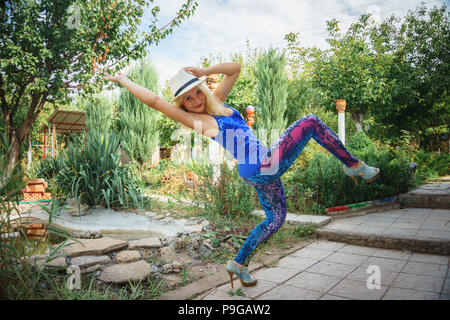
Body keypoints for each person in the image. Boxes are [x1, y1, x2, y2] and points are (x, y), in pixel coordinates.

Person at [105, 62, 380, 288]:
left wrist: (204, 71)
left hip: (261, 168)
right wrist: (124, 80)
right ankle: (352, 165)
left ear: (202, 88)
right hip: (261, 165)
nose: (195, 100)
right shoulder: (198, 121)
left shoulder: (217, 103)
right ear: (183, 105)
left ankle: (238, 263)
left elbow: (235, 69)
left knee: (275, 219)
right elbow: (154, 101)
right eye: (187, 99)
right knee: (309, 122)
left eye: (197, 92)